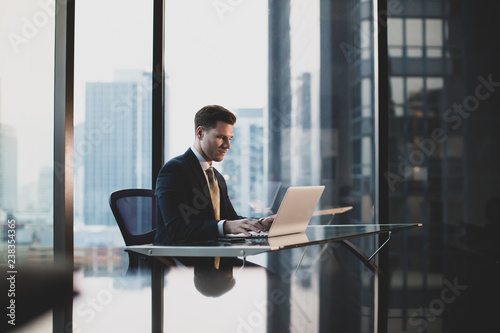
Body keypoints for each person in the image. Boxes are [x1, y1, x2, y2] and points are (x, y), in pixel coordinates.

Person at [154, 105, 275, 245]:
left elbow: (231, 219)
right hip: (182, 261)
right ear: (200, 133)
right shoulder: (174, 170)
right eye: (221, 137)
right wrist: (227, 226)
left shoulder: (217, 177)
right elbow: (176, 228)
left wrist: (261, 223)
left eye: (230, 138)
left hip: (217, 257)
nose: (227, 145)